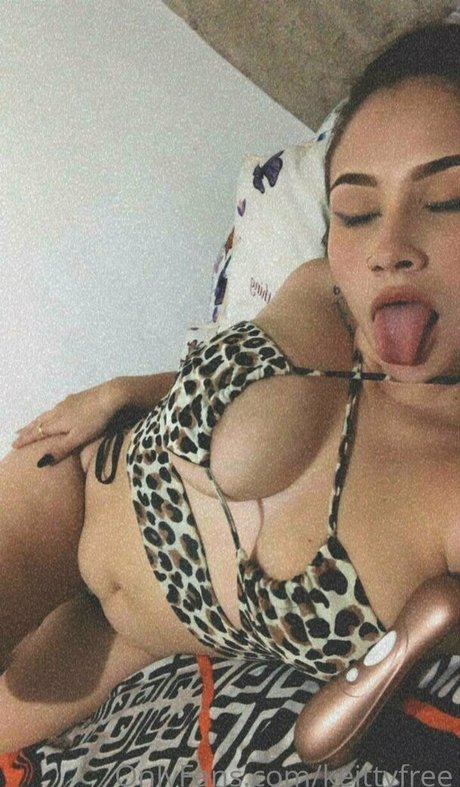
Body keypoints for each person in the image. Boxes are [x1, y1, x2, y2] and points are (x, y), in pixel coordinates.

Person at [1, 20, 459, 760]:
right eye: (356, 212)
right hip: (74, 487)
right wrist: (125, 389)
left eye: (448, 200)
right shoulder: (323, 290)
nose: (387, 247)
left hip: (126, 638)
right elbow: (236, 383)